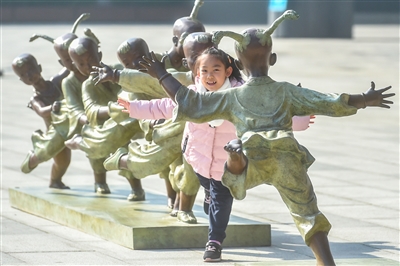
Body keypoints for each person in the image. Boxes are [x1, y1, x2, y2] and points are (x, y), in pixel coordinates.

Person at [136, 10, 395, 265]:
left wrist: (161, 73)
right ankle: (325, 261)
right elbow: (328, 102)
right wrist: (363, 99)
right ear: (272, 59)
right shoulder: (286, 91)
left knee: (229, 180)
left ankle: (236, 161)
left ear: (236, 65)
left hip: (254, 159)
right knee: (306, 211)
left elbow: (191, 103)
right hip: (286, 156)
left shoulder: (231, 96)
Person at [119, 46, 313, 261]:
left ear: (228, 71)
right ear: (197, 73)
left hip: (227, 163)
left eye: (216, 70)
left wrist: (301, 119)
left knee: (221, 200)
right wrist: (134, 108)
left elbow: (267, 114)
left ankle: (214, 242)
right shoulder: (192, 95)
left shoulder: (240, 96)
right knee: (207, 186)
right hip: (199, 159)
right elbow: (165, 106)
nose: (210, 76)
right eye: (204, 71)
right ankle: (208, 194)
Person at [12, 53, 71, 189]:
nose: (29, 76)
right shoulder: (35, 99)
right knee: (62, 161)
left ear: (39, 67)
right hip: (56, 132)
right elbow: (41, 111)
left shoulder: (55, 83)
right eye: (23, 75)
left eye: (31, 71)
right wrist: (52, 108)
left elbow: (68, 69)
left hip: (71, 124)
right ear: (21, 80)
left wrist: (67, 53)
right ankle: (40, 162)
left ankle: (100, 179)